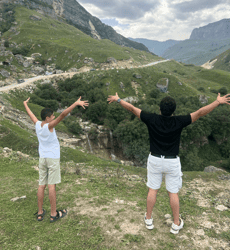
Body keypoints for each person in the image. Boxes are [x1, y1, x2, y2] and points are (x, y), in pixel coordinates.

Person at [107, 92, 230, 234]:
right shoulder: (179, 121)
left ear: (159, 109)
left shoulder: (151, 118)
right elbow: (200, 112)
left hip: (154, 159)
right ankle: (176, 224)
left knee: (153, 190)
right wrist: (217, 102)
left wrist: (118, 100)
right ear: (174, 111)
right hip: (172, 161)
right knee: (173, 193)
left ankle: (148, 219)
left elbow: (132, 109)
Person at [23, 97, 88, 223]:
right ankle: (54, 214)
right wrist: (75, 103)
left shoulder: (37, 124)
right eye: (52, 116)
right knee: (51, 186)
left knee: (41, 185)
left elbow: (30, 114)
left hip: (42, 158)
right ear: (47, 118)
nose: (53, 117)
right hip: (52, 159)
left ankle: (40, 213)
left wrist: (25, 104)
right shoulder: (49, 126)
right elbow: (63, 114)